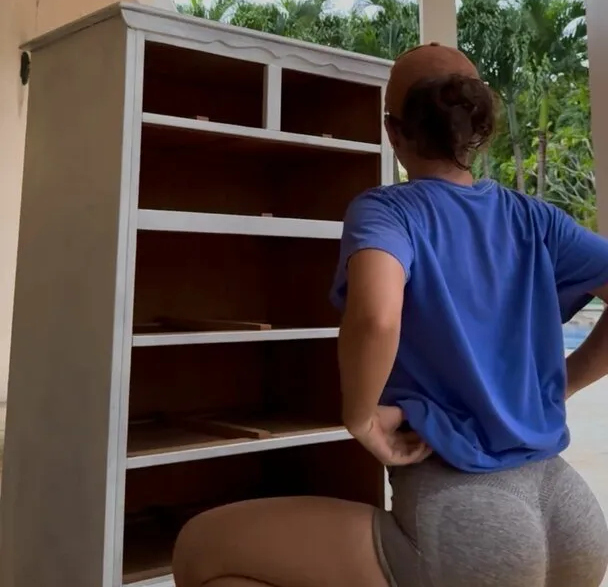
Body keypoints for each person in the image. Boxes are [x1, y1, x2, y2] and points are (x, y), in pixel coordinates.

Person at [173, 42, 608, 587]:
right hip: (573, 518)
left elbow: (377, 316)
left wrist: (361, 419)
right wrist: (562, 383)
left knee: (202, 547)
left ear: (392, 131)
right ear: (481, 127)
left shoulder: (388, 210)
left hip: (469, 526)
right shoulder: (537, 219)